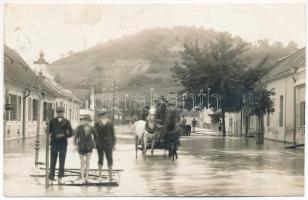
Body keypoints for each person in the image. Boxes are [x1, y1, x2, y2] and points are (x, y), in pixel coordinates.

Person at [48, 106, 73, 184]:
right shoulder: (52, 121)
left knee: (62, 161)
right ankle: (51, 178)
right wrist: (46, 126)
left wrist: (63, 135)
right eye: (58, 112)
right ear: (56, 113)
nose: (60, 114)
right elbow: (48, 132)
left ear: (63, 113)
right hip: (54, 143)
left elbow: (71, 133)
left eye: (61, 112)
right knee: (53, 161)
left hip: (63, 144)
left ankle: (60, 178)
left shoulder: (67, 121)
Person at [94, 110, 116, 182]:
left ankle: (110, 176)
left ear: (106, 115)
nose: (103, 116)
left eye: (104, 115)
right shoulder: (97, 124)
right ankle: (100, 176)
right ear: (100, 116)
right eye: (101, 115)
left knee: (110, 159)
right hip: (100, 144)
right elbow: (95, 135)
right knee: (100, 159)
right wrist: (96, 143)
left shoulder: (110, 123)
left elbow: (113, 134)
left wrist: (113, 144)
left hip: (109, 144)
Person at [74, 115, 95, 184]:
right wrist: (75, 145)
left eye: (88, 121)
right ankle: (82, 178)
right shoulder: (79, 128)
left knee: (88, 163)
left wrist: (94, 144)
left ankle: (87, 178)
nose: (87, 122)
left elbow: (96, 136)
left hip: (89, 147)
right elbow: (75, 137)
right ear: (83, 121)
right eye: (85, 120)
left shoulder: (92, 128)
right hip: (81, 147)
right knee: (82, 163)